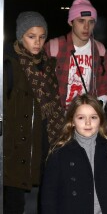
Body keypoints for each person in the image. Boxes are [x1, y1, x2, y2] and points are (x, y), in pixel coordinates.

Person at [3, 11, 65, 214]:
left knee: (42, 203)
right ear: (21, 37)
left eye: (41, 36)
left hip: (43, 144)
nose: (37, 42)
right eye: (31, 36)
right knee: (15, 205)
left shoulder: (48, 66)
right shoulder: (9, 64)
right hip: (17, 149)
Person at [40, 93, 107, 214]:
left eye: (93, 117)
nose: (88, 123)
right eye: (81, 118)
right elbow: (48, 197)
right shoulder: (59, 153)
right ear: (72, 121)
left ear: (100, 120)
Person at [44, 0, 107, 110]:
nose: (86, 27)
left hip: (86, 116)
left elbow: (103, 88)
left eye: (91, 22)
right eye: (81, 21)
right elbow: (42, 86)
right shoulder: (53, 47)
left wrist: (94, 111)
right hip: (57, 117)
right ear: (71, 22)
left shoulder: (100, 50)